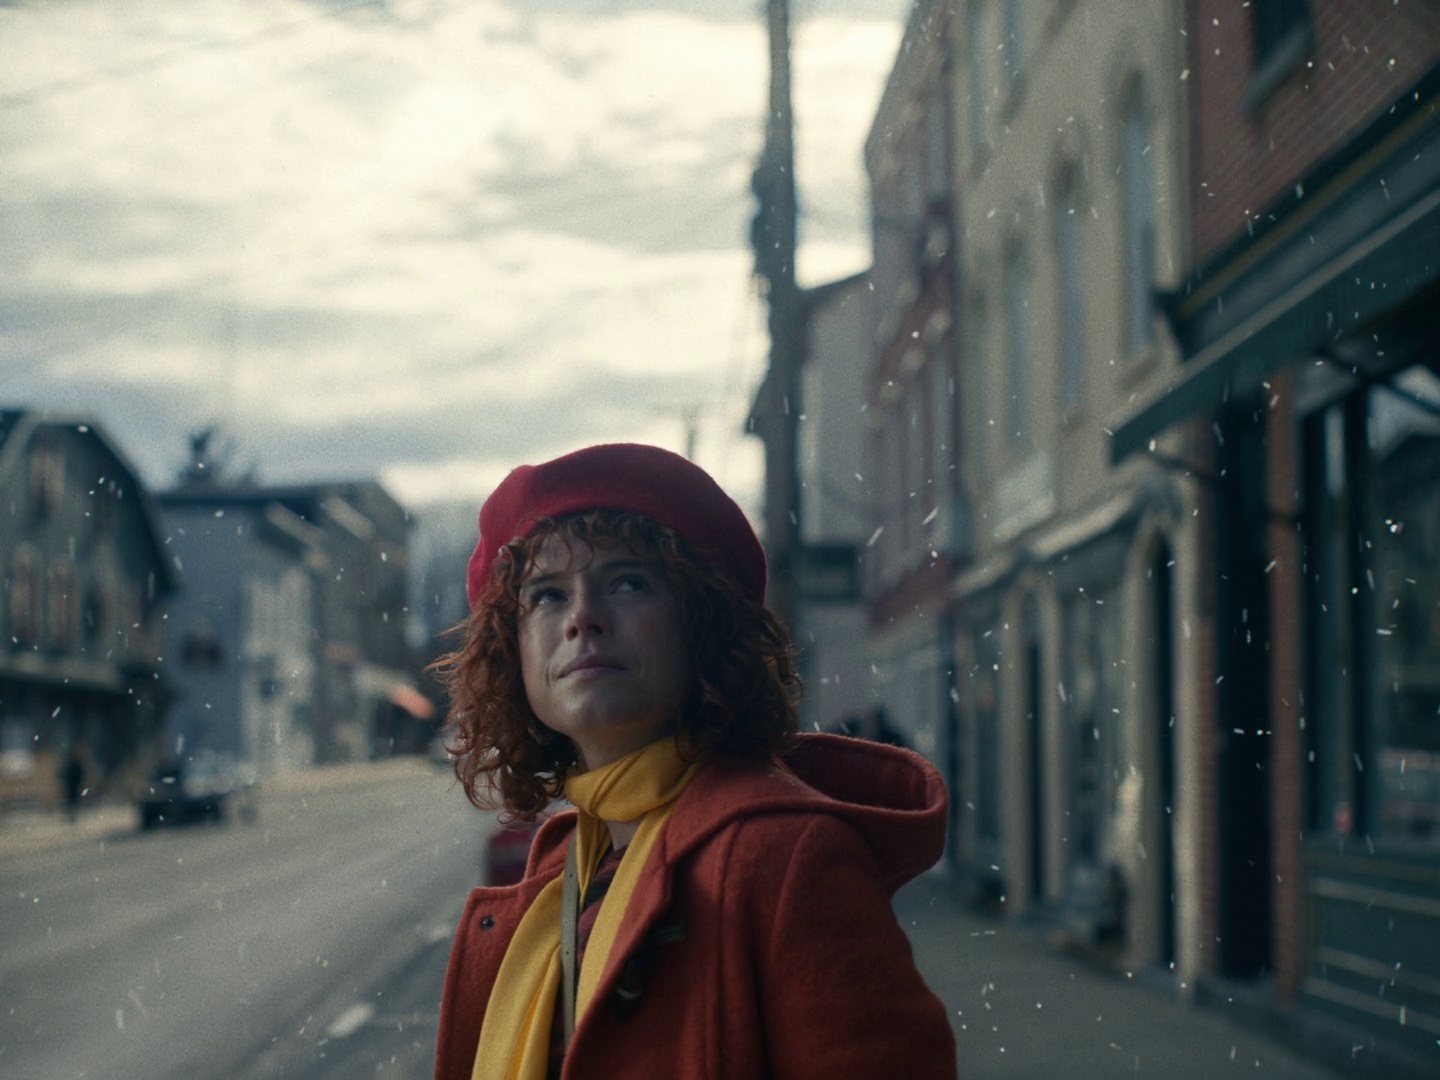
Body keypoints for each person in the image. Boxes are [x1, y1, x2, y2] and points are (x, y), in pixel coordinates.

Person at [432, 443, 957, 1080]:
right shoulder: (562, 869)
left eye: (627, 582)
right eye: (546, 596)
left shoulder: (789, 857)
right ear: (511, 653)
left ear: (700, 623)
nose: (583, 619)